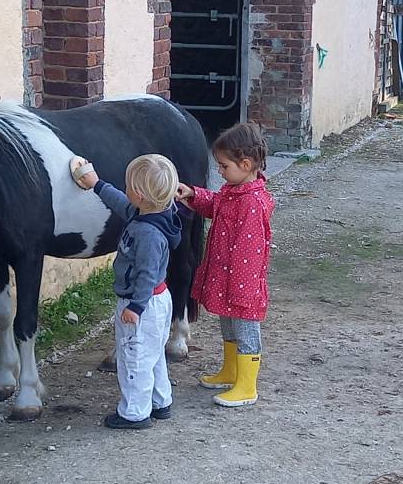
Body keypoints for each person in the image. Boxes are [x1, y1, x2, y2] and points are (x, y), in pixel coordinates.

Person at [70, 153, 183, 429]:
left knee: (134, 358)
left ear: (141, 195)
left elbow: (145, 274)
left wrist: (135, 307)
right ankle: (160, 401)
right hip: (157, 300)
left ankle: (134, 413)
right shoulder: (155, 214)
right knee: (153, 355)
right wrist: (96, 184)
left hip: (141, 303)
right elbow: (121, 202)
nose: (126, 190)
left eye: (130, 186)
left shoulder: (148, 234)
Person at [176, 123, 275, 408]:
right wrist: (193, 195)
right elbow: (215, 205)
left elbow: (250, 250)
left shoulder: (252, 204)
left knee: (246, 333)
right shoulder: (235, 192)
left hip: (241, 285)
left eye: (223, 166)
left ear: (245, 164)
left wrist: (242, 289)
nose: (219, 171)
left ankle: (247, 386)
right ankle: (231, 371)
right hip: (228, 279)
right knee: (229, 329)